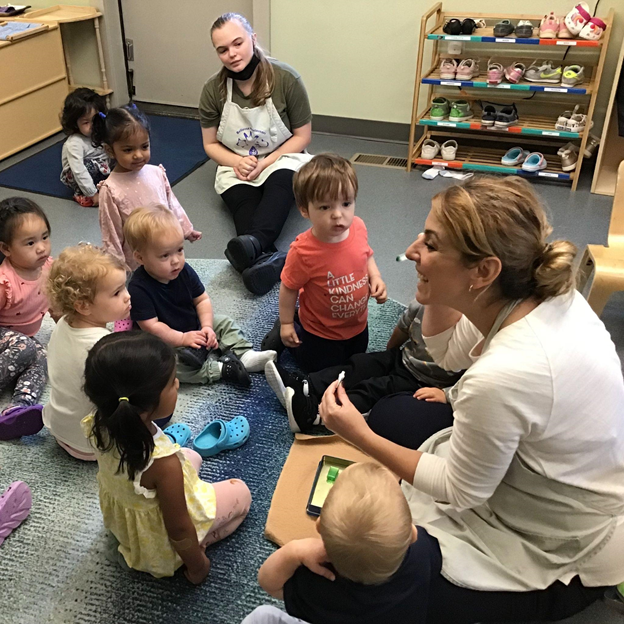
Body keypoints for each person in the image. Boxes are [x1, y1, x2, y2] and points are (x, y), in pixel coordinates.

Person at [315, 176, 624, 623]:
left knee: (343, 586)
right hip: (539, 470)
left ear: (484, 272)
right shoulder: (540, 296)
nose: (413, 249)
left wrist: (358, 435)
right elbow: (449, 350)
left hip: (560, 545)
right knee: (396, 415)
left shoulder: (504, 375)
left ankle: (569, 603)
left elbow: (461, 490)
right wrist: (434, 285)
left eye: (432, 244)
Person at [81, 331, 252, 582]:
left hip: (129, 509)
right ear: (146, 406)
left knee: (191, 456)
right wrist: (197, 566)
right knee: (242, 494)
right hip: (160, 542)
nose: (178, 384)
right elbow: (179, 527)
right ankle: (192, 550)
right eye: (172, 382)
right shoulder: (164, 464)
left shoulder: (97, 422)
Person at [201, 12, 312, 296]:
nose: (232, 54)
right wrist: (237, 162)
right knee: (243, 201)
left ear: (253, 38)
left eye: (237, 43)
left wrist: (266, 162)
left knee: (279, 186)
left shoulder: (286, 79)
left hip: (281, 156)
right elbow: (211, 145)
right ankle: (276, 260)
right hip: (235, 162)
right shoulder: (213, 90)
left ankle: (254, 248)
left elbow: (302, 136)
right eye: (223, 50)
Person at [256, 463, 441, 624]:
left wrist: (294, 551)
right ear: (412, 535)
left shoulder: (317, 584)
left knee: (263, 616)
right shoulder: (422, 552)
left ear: (318, 526)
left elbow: (268, 582)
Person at [264, 154, 387, 381]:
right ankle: (288, 330)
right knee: (321, 371)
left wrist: (376, 277)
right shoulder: (303, 252)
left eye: (346, 203)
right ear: (304, 210)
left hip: (358, 325)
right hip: (320, 332)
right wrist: (286, 323)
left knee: (356, 365)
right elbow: (289, 288)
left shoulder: (358, 227)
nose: (338, 214)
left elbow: (367, 255)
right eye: (325, 207)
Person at [124, 204, 276, 386]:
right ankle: (220, 370)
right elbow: (152, 327)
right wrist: (182, 338)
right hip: (168, 342)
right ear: (140, 258)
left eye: (179, 250)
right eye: (164, 256)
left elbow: (202, 299)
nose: (176, 261)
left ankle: (245, 355)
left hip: (194, 324)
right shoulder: (138, 288)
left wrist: (207, 327)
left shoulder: (183, 271)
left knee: (223, 322)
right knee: (167, 368)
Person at [265, 294, 460, 433]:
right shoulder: (422, 302)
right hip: (401, 358)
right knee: (360, 365)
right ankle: (308, 385)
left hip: (425, 383)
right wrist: (386, 355)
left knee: (374, 390)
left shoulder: (470, 330)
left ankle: (314, 415)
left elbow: (477, 378)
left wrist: (446, 393)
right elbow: (401, 330)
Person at [44, 244, 130, 461]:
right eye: (117, 292)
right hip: (92, 447)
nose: (127, 296)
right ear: (83, 306)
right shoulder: (104, 347)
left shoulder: (63, 323)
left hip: (59, 431)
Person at [92, 103, 202, 272]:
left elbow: (171, 205)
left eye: (144, 146)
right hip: (137, 262)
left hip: (166, 251)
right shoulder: (111, 189)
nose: (138, 155)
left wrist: (185, 229)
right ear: (110, 150)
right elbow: (111, 232)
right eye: (128, 150)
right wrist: (116, 266)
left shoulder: (156, 173)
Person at [0, 198, 52, 441]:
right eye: (30, 243)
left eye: (45, 237)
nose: (42, 248)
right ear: (6, 249)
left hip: (22, 340)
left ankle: (18, 409)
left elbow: (58, 307)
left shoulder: (49, 268)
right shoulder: (4, 282)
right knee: (27, 347)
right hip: (6, 338)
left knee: (42, 356)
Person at [59, 88, 110, 208]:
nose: (92, 126)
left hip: (100, 167)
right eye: (86, 122)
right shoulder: (75, 143)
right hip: (79, 174)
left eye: (95, 120)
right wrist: (92, 194)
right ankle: (82, 193)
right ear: (75, 123)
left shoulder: (100, 133)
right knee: (88, 167)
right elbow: (78, 169)